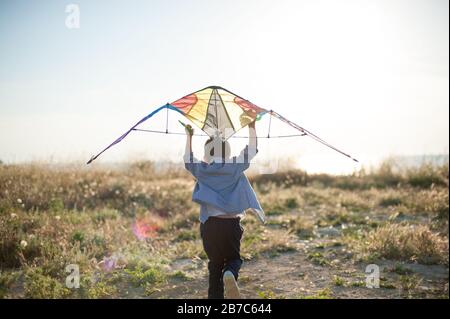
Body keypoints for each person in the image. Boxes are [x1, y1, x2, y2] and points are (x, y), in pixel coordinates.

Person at [183, 121, 265, 299]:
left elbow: (188, 160)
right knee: (234, 259)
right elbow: (251, 150)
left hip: (210, 226)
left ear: (207, 152)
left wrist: (189, 137)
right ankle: (230, 273)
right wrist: (251, 127)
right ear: (227, 151)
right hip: (231, 225)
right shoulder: (234, 166)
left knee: (214, 264)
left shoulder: (202, 169)